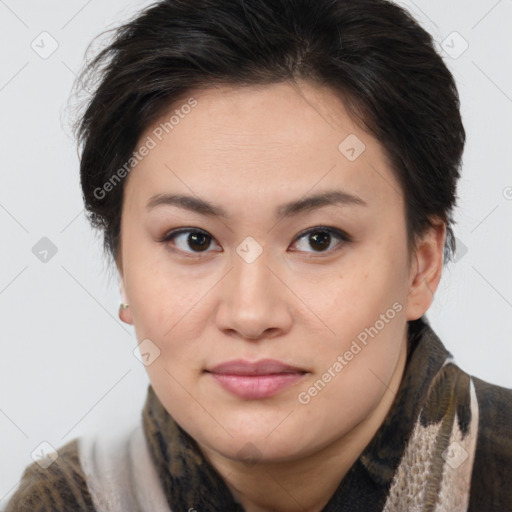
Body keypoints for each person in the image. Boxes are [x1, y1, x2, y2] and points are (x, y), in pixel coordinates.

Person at [5, 0, 512, 511]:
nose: (250, 315)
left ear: (421, 265)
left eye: (319, 239)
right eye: (193, 239)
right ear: (122, 266)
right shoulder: (65, 502)